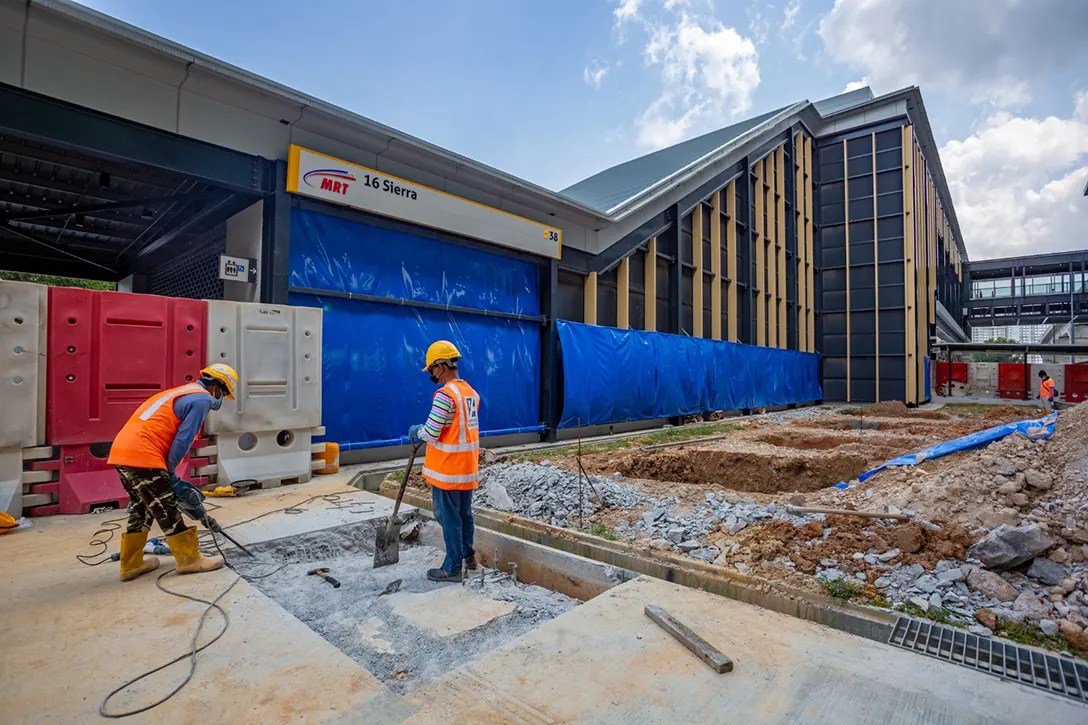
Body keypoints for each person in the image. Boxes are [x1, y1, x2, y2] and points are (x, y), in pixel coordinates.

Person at [106, 363, 239, 581]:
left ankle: (131, 564)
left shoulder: (179, 392)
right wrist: (170, 474)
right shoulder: (202, 399)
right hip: (144, 454)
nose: (220, 399)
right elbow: (182, 441)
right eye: (223, 393)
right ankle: (189, 560)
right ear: (216, 387)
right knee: (167, 508)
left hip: (122, 452)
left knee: (143, 507)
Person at [408, 340, 481, 582]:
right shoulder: (470, 393)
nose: (430, 373)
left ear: (440, 367)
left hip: (448, 470)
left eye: (431, 369)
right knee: (464, 515)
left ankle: (452, 567)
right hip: (466, 468)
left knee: (447, 517)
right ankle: (469, 557)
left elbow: (431, 432)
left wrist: (416, 430)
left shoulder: (445, 395)